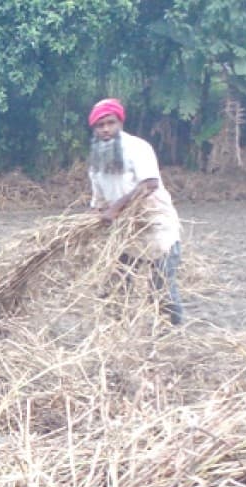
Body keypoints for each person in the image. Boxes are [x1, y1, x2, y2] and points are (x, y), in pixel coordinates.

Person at [88, 98, 184, 326]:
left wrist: (115, 208)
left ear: (120, 123)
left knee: (161, 292)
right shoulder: (96, 162)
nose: (106, 130)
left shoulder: (138, 148)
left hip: (157, 227)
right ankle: (120, 334)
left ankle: (173, 336)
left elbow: (149, 184)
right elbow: (99, 203)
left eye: (110, 123)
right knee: (118, 288)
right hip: (125, 233)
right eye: (100, 126)